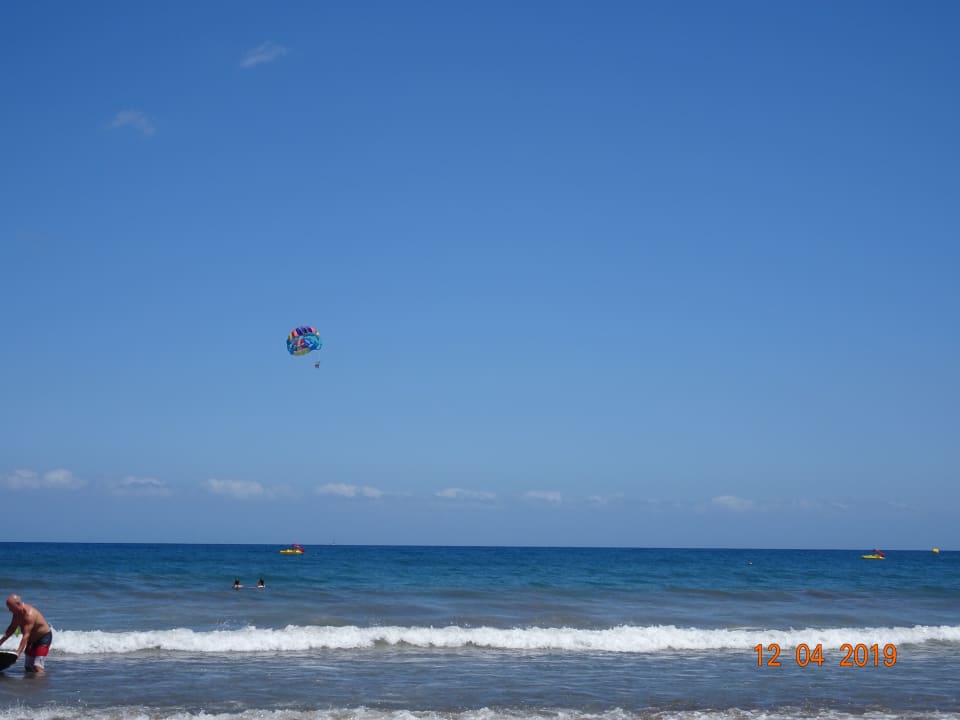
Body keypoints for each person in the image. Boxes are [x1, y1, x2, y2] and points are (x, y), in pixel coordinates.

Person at [1, 594, 53, 673]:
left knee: (37, 666)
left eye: (10, 608)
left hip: (43, 638)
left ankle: (42, 684)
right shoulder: (17, 614)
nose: (9, 610)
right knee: (28, 667)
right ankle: (31, 685)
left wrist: (18, 654)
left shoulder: (29, 615)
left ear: (18, 604)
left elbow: (26, 636)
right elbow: (10, 631)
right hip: (31, 640)